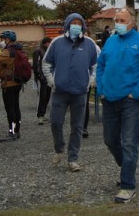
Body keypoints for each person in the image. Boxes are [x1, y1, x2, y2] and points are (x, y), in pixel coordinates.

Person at [96, 7, 139, 204]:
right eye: (117, 20)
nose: (118, 24)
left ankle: (127, 185)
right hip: (109, 99)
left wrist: (136, 93)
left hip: (130, 102)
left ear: (132, 23)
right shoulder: (110, 41)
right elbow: (101, 65)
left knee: (130, 143)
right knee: (110, 141)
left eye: (122, 20)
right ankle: (127, 169)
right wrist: (101, 89)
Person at [42, 14, 98, 172]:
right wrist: (52, 81)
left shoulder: (90, 44)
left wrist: (90, 81)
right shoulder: (57, 42)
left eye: (79, 23)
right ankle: (59, 148)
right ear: (67, 25)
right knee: (55, 122)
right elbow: (46, 63)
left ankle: (73, 158)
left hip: (80, 92)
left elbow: (96, 65)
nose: (76, 25)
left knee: (77, 126)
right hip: (60, 91)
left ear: (83, 26)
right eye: (73, 23)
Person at [0, 30, 25, 142]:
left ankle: (12, 132)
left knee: (10, 108)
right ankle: (17, 130)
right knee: (16, 107)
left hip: (9, 84)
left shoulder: (8, 51)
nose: (1, 41)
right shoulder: (18, 49)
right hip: (17, 82)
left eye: (2, 39)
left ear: (7, 39)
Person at [33, 37, 53, 125]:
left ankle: (43, 114)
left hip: (48, 77)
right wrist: (39, 76)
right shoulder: (38, 51)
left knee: (47, 96)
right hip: (42, 78)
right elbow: (36, 64)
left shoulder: (48, 51)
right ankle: (40, 115)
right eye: (49, 43)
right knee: (42, 96)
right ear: (46, 43)